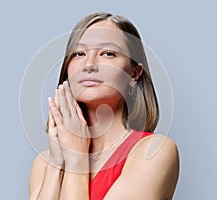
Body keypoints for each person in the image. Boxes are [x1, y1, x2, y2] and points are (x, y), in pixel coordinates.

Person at [29, 11, 179, 200]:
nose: (89, 64)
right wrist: (56, 165)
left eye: (108, 53)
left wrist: (77, 158)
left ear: (134, 73)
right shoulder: (43, 164)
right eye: (79, 53)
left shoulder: (155, 151)